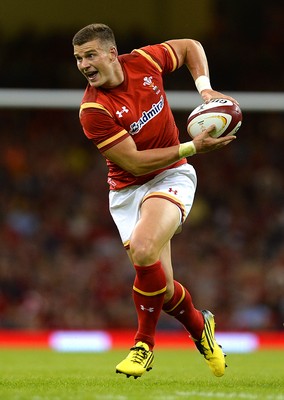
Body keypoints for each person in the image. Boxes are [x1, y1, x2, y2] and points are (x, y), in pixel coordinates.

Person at [72, 23, 238, 379]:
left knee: (144, 250)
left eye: (90, 55)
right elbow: (132, 161)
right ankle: (201, 330)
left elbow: (191, 45)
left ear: (112, 53)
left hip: (171, 175)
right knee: (161, 291)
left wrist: (205, 90)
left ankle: (143, 346)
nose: (84, 64)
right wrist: (195, 146)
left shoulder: (145, 60)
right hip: (128, 190)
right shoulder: (93, 110)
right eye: (78, 59)